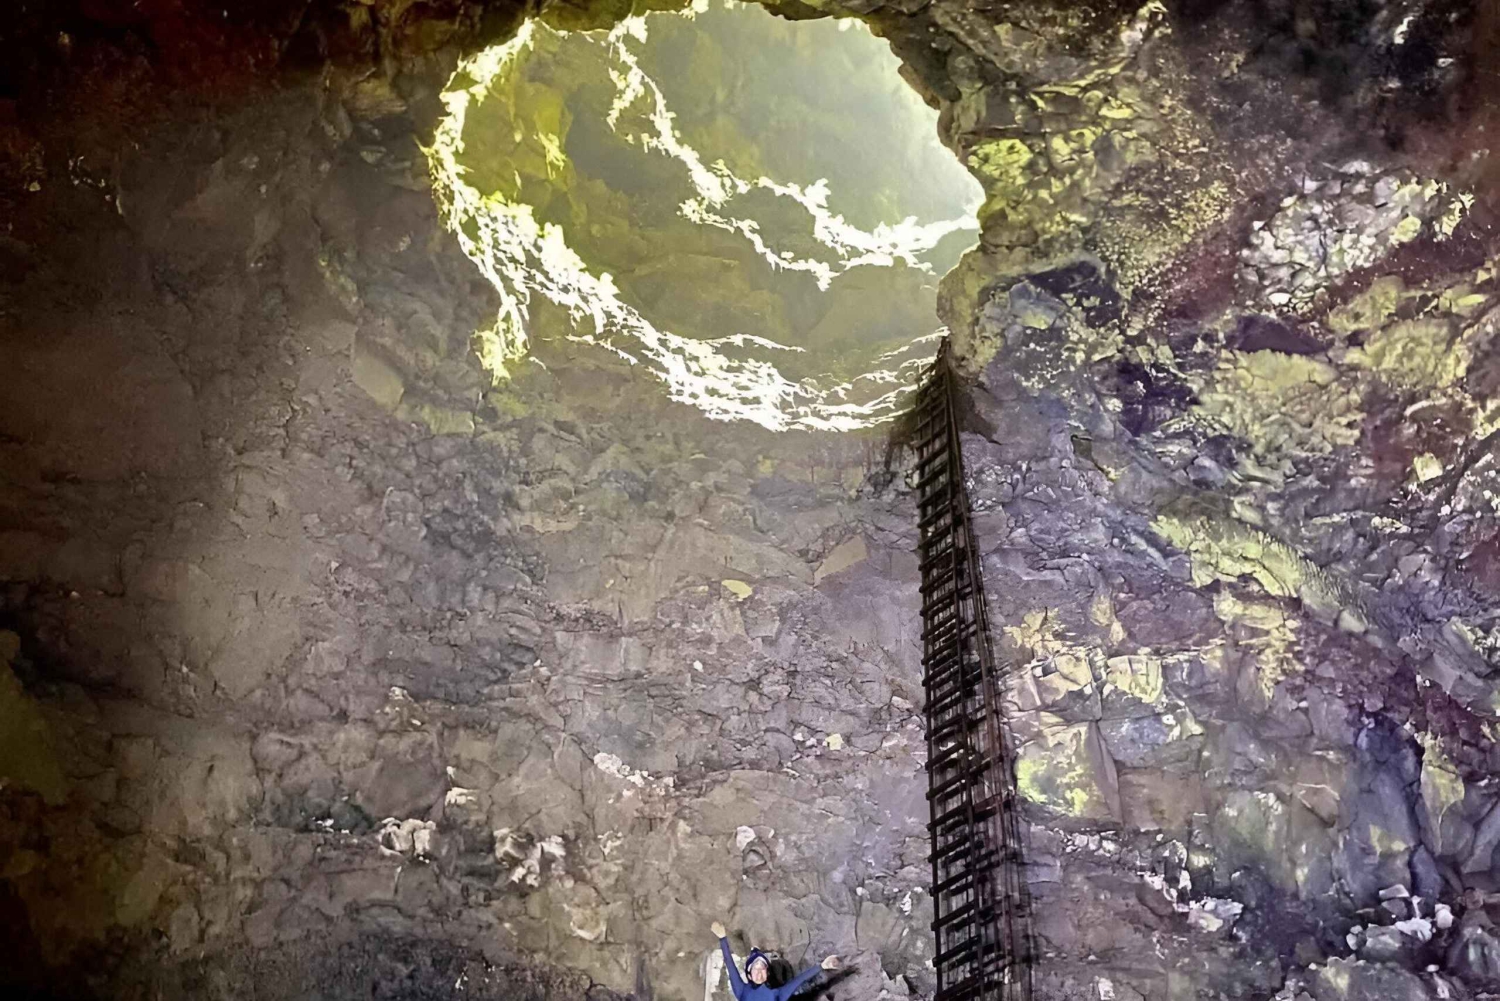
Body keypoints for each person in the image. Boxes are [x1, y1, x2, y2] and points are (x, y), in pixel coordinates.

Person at [710, 920, 840, 1001]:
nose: (760, 972)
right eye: (756, 968)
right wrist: (722, 938)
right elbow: (730, 966)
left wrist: (822, 966)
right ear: (749, 975)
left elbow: (799, 981)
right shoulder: (742, 991)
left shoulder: (777, 994)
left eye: (762, 968)